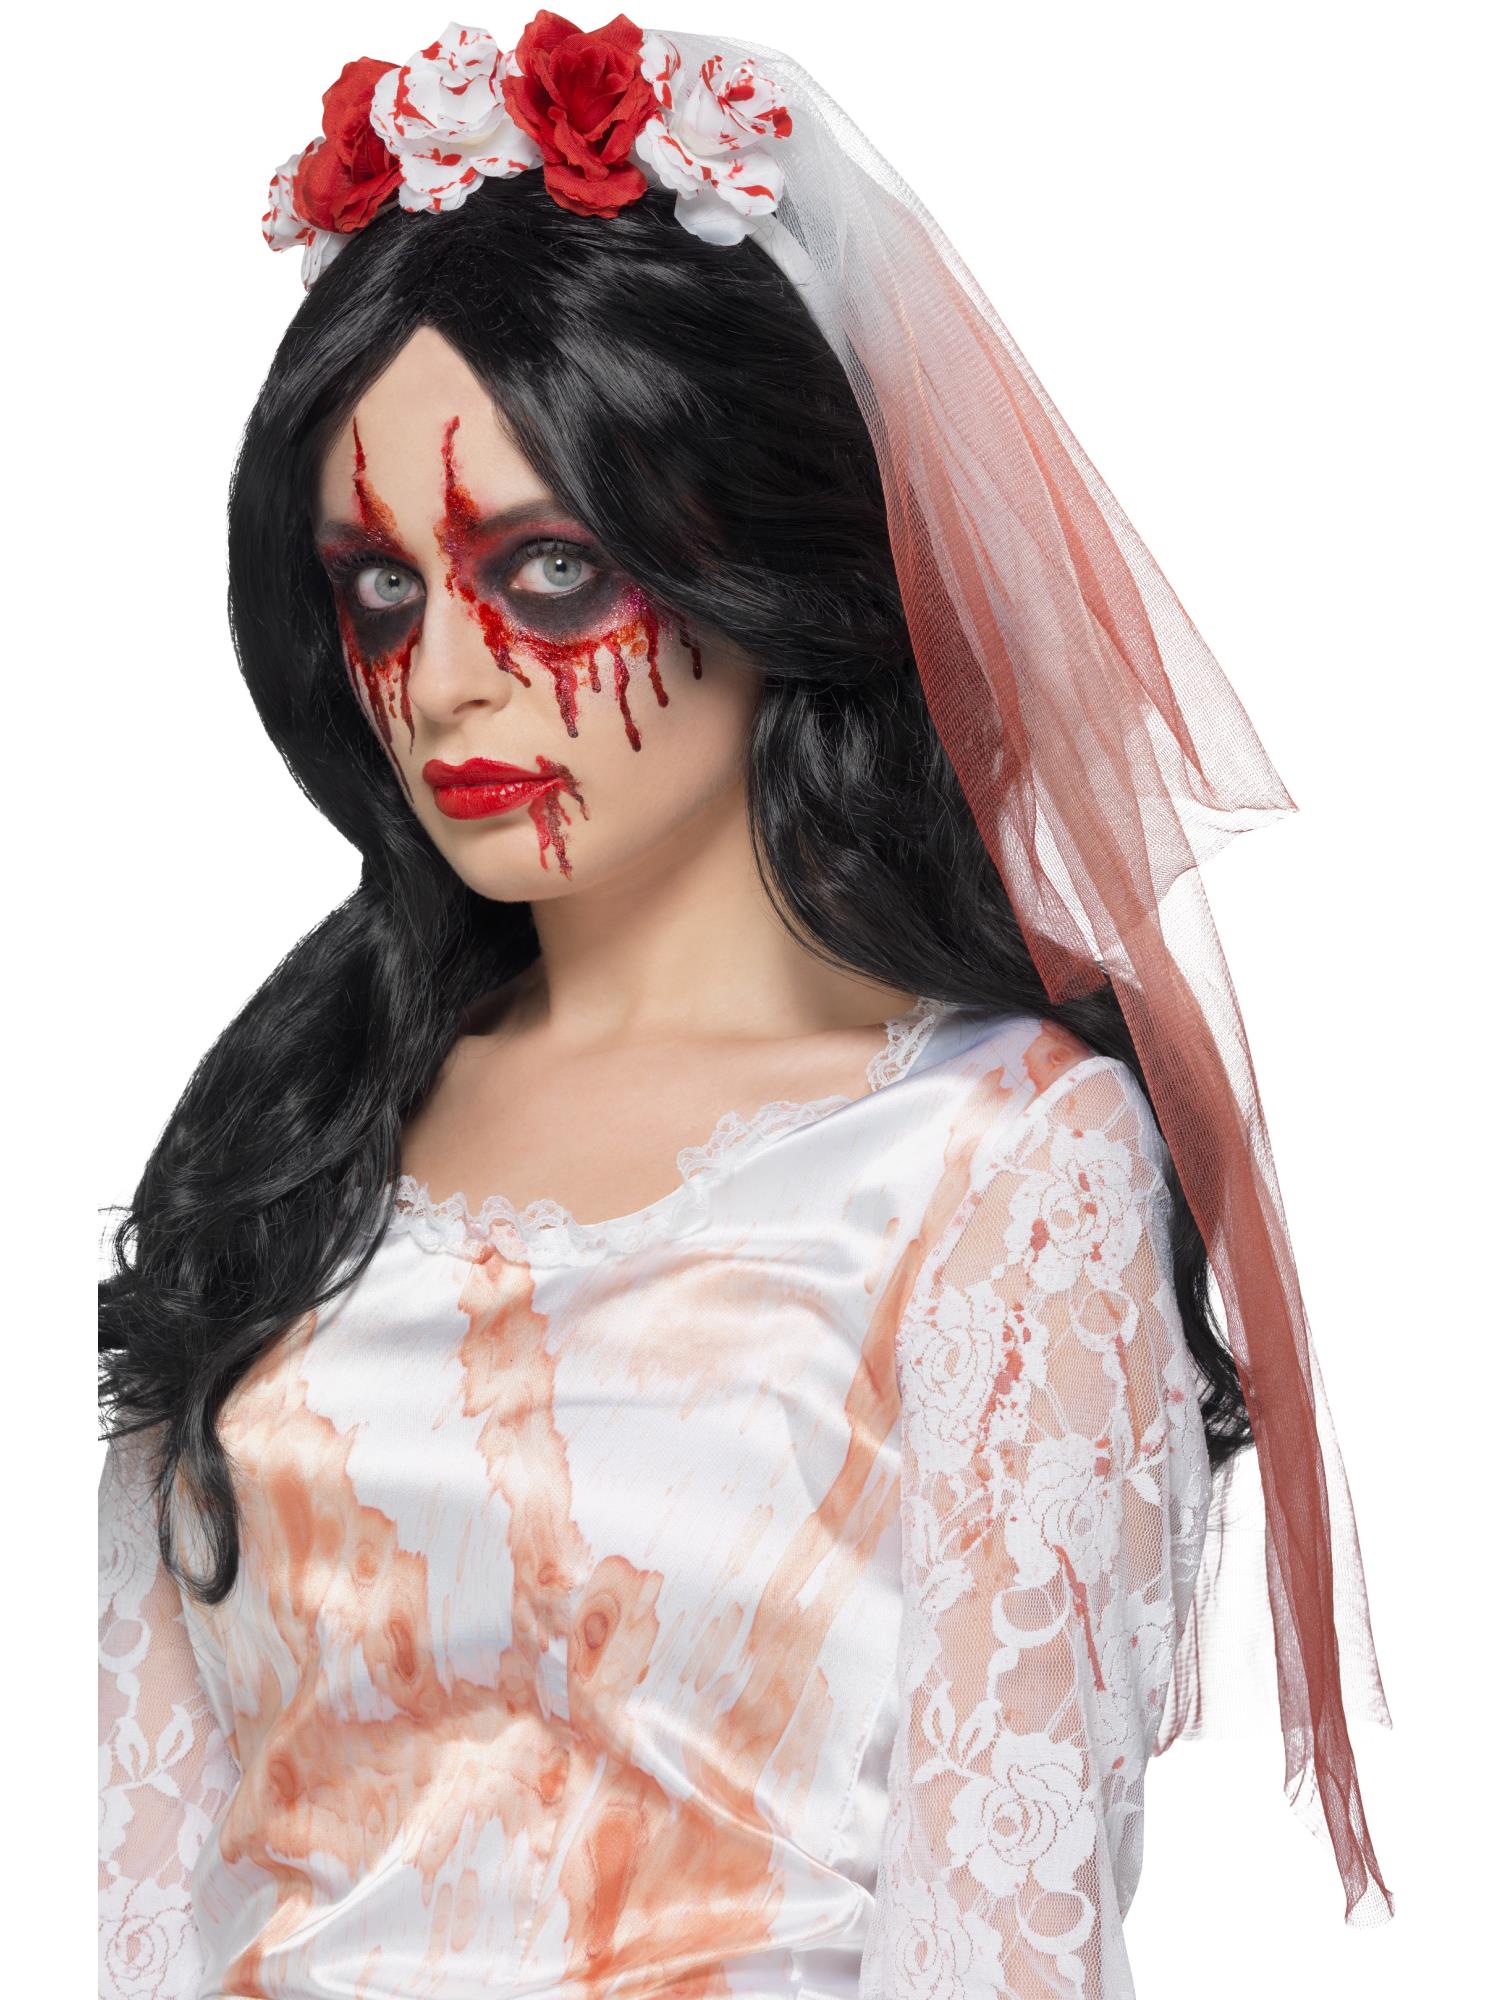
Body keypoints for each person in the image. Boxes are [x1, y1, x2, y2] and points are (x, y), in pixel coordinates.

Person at [97, 14, 1393, 1996]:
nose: (444, 679)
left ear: (761, 566)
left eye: (545, 572)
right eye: (380, 590)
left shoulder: (995, 1164)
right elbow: (141, 1891)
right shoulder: (289, 1135)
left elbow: (999, 1941)